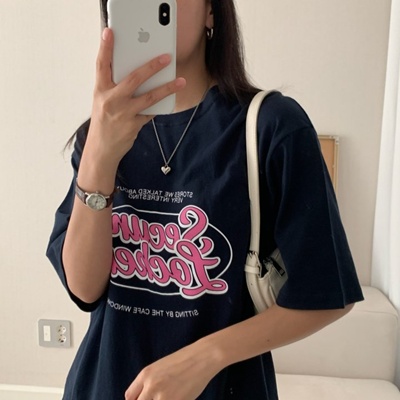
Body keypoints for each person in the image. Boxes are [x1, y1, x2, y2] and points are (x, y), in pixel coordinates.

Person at [46, 1, 364, 399]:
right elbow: (84, 289)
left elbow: (327, 295)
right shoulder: (99, 136)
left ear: (211, 12)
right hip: (104, 387)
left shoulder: (271, 127)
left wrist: (206, 356)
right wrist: (98, 156)